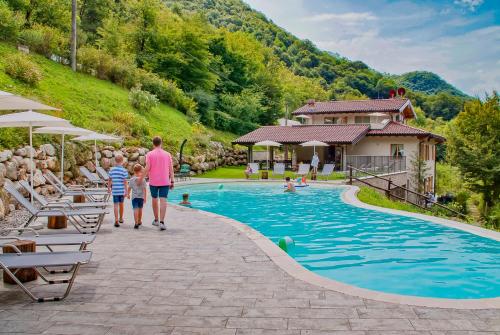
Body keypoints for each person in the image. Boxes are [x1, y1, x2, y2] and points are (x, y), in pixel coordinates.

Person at [144, 136, 174, 231]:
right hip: (165, 181)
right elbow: (171, 169)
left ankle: (156, 220)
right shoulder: (167, 154)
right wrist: (172, 180)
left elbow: (148, 167)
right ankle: (162, 222)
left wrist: (141, 177)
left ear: (153, 143)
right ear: (161, 143)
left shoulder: (149, 154)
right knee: (163, 200)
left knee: (154, 199)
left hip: (153, 181)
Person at [107, 154, 128, 227]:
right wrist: (126, 191)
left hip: (115, 191)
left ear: (115, 161)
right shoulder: (124, 171)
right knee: (121, 204)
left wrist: (109, 188)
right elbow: (125, 182)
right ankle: (121, 218)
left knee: (116, 205)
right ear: (122, 161)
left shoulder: (112, 170)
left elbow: (109, 180)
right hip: (121, 191)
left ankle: (116, 220)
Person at [127, 164, 147, 229]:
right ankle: (139, 221)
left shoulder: (132, 179)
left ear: (134, 171)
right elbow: (144, 190)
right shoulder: (143, 180)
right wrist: (145, 198)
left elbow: (129, 188)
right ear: (141, 170)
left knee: (135, 209)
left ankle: (136, 223)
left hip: (134, 198)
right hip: (141, 197)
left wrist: (128, 194)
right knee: (140, 209)